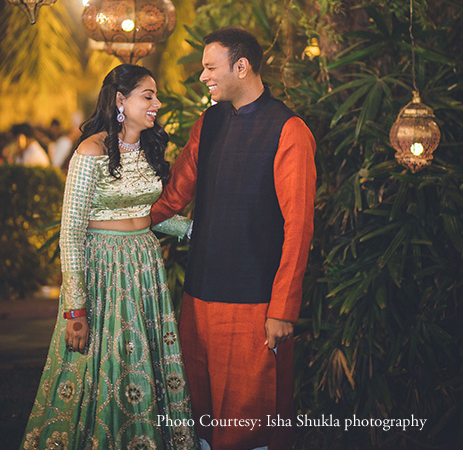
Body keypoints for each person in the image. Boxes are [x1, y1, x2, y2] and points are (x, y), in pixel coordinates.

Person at [150, 28, 317, 450]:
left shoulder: (289, 129)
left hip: (255, 303)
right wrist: (117, 219)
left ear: (241, 66)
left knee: (250, 419)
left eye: (210, 67)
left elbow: (298, 227)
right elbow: (173, 196)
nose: (202, 76)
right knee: (200, 414)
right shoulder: (208, 123)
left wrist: (283, 309)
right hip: (199, 296)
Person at [21, 64, 199, 450]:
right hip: (104, 271)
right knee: (104, 364)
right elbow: (71, 232)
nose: (157, 103)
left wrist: (194, 230)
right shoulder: (91, 150)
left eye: (156, 96)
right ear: (120, 100)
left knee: (145, 362)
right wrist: (75, 309)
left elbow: (148, 214)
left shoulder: (150, 148)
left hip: (145, 268)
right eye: (148, 96)